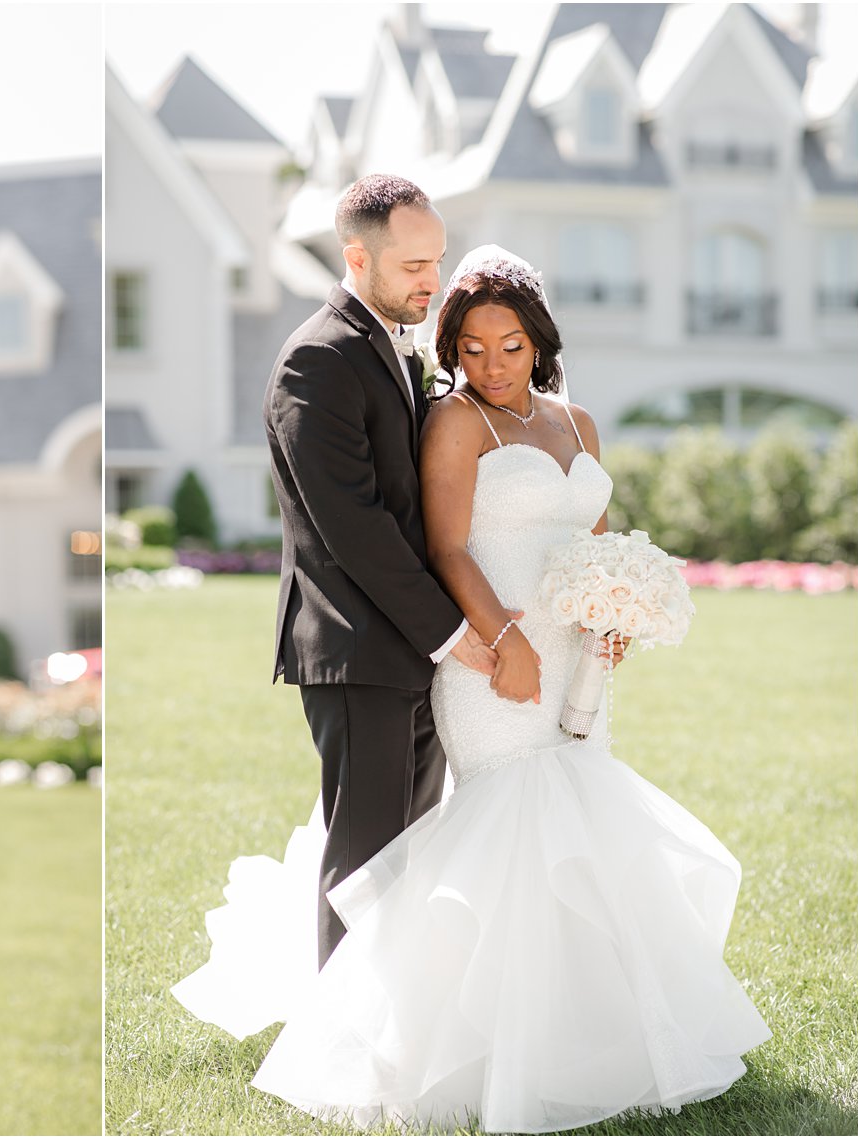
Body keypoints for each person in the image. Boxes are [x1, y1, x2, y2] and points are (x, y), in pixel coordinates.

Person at [173, 247, 770, 1133]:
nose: (492, 365)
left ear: (540, 344)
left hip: (578, 657)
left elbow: (596, 541)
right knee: (511, 823)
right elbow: (449, 547)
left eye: (511, 346)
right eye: (474, 347)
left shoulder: (579, 423)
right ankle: (464, 1049)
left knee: (582, 818)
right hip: (494, 657)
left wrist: (616, 613)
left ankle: (589, 1038)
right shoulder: (454, 422)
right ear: (452, 347)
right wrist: (498, 638)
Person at [251, 174, 502, 970]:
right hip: (359, 651)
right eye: (413, 266)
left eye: (437, 260)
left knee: (407, 853)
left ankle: (393, 1026)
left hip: (410, 651)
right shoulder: (315, 362)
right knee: (363, 863)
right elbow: (353, 527)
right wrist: (454, 630)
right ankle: (341, 1055)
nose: (433, 281)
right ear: (357, 257)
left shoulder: (395, 350)